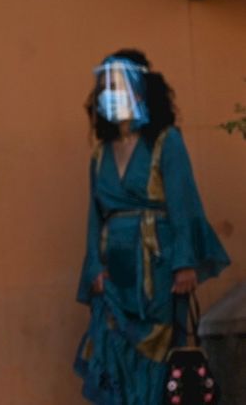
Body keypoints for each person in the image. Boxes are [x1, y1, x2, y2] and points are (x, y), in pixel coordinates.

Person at [74, 50, 230, 405]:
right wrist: (94, 270)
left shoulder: (166, 141)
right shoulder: (100, 155)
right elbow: (94, 217)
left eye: (116, 85)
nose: (108, 94)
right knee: (113, 356)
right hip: (113, 280)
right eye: (104, 87)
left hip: (158, 274)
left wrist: (185, 262)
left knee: (161, 360)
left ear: (139, 91)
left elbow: (184, 205)